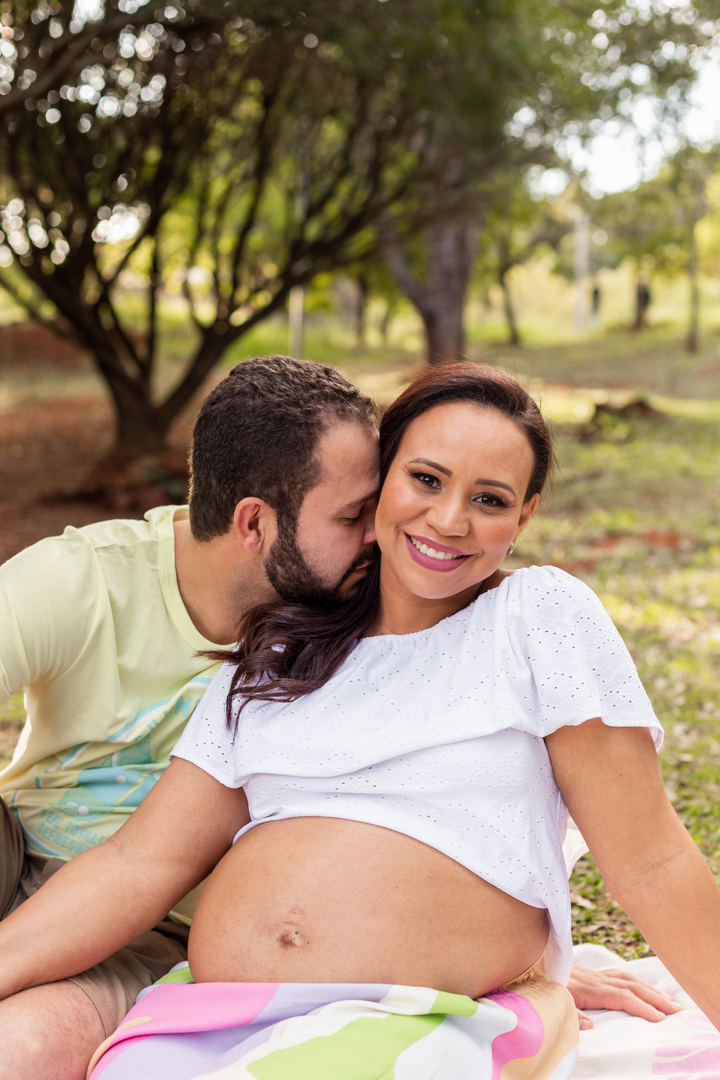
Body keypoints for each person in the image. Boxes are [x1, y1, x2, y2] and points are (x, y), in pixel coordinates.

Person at [0, 363, 717, 1080]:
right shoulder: (276, 656)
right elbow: (139, 862)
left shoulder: (535, 619)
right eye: (426, 480)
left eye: (490, 499)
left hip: (405, 1016)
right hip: (210, 1013)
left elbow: (653, 863)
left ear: (523, 518)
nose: (449, 519)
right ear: (383, 482)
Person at [0, 355, 379, 1079]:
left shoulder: (363, 632)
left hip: (155, 929)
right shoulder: (83, 581)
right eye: (352, 515)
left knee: (18, 1052)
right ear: (255, 524)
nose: (378, 538)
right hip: (16, 846)